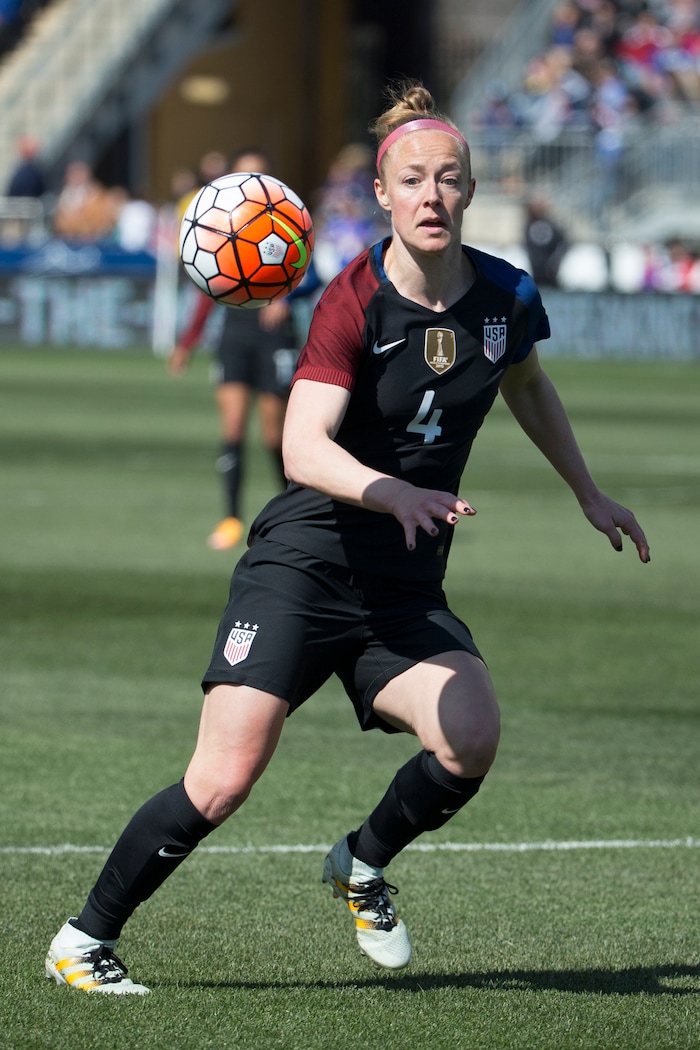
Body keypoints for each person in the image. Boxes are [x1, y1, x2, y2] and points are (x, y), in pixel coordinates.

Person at [45, 81, 650, 995]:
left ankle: (361, 863)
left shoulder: (507, 295)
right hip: (305, 563)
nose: (432, 195)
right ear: (382, 194)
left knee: (471, 736)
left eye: (450, 178)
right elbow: (299, 447)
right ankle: (81, 941)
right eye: (413, 180)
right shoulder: (351, 300)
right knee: (222, 780)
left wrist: (588, 491)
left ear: (471, 190)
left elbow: (527, 385)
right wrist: (393, 490)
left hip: (401, 583)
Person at [168, 148, 315, 551]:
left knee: (274, 432)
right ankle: (231, 518)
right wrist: (187, 342)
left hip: (275, 334)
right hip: (235, 332)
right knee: (232, 427)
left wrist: (287, 295)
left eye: (260, 175)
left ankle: (293, 516)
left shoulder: (288, 220)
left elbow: (312, 272)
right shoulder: (219, 224)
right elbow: (206, 282)